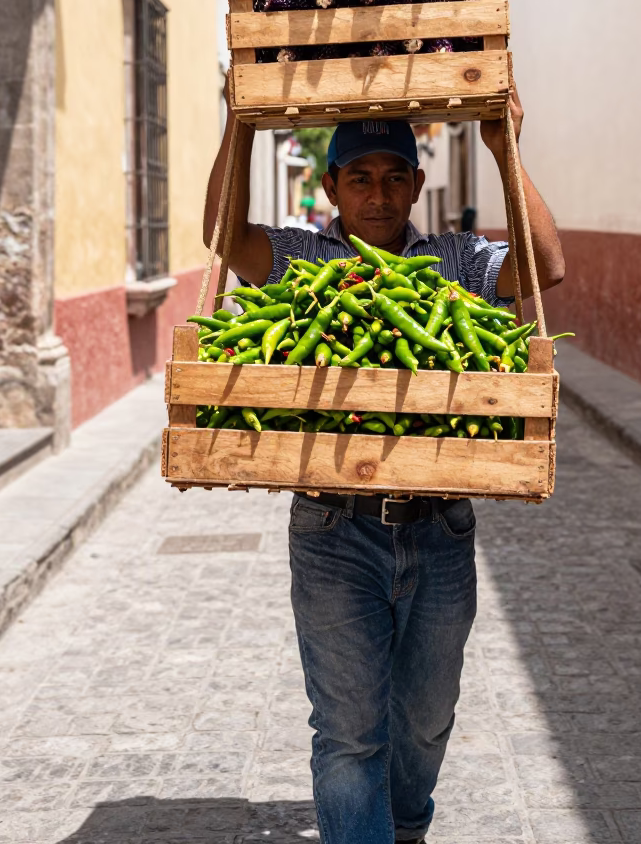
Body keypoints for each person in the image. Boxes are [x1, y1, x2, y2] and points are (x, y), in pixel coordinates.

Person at [203, 83, 564, 844]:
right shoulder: (301, 259)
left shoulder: (454, 261)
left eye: (394, 175)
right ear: (330, 185)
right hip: (334, 530)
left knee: (427, 724)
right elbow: (219, 234)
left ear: (417, 184)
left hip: (439, 531)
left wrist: (507, 150)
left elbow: (547, 268)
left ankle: (406, 827)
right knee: (347, 736)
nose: (378, 193)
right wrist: (236, 126)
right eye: (359, 176)